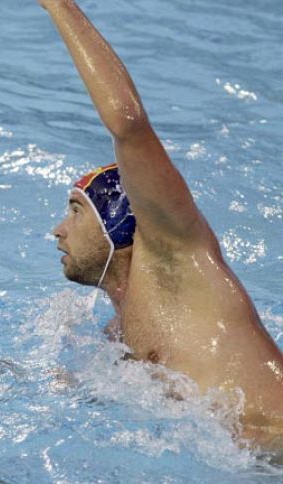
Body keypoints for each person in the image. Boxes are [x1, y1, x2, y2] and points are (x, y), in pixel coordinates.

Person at [41, 0, 283, 446]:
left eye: (75, 211)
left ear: (119, 224)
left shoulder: (177, 260)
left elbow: (128, 124)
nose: (58, 229)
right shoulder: (114, 332)